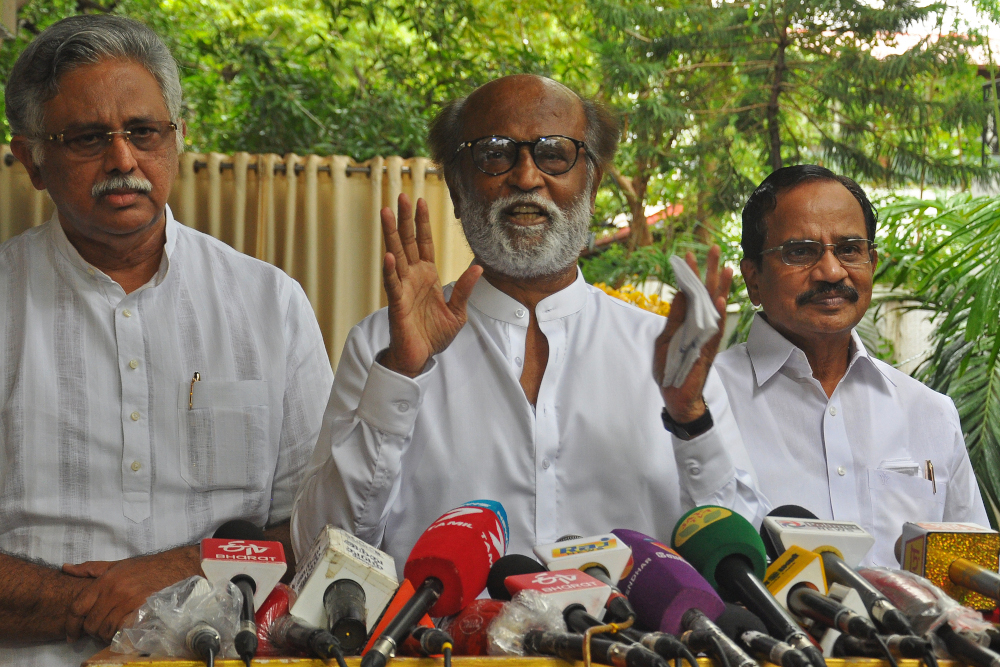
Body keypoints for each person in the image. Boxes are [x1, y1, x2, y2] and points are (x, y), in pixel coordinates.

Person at [291, 74, 767, 572]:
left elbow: (738, 554)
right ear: (457, 186)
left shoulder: (667, 356)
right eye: (495, 153)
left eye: (554, 153)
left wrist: (690, 417)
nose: (525, 176)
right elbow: (321, 552)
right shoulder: (382, 346)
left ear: (592, 182)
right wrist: (399, 377)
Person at [0, 15, 332, 665]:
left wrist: (188, 566)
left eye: (144, 131)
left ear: (179, 138)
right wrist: (89, 605)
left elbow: (316, 527)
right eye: (88, 137)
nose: (123, 159)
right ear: (32, 160)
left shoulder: (270, 304)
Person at [708, 165, 988, 566]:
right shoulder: (702, 405)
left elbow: (971, 575)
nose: (831, 272)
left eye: (850, 249)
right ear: (753, 277)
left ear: (871, 262)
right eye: (801, 251)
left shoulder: (929, 414)